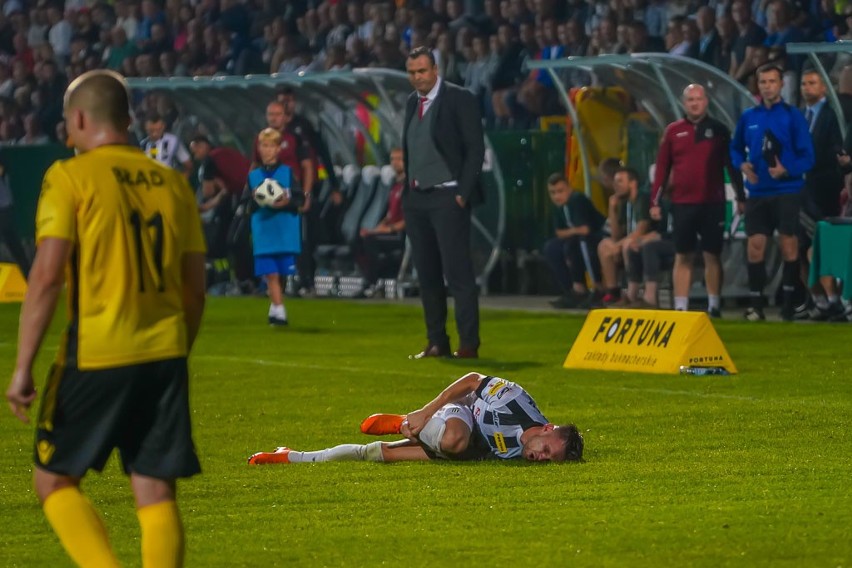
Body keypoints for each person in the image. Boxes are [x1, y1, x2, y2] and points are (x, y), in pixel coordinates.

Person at [5, 70, 206, 568]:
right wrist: (179, 347)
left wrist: (22, 366)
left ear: (77, 119)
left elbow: (47, 276)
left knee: (52, 479)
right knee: (155, 488)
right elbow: (195, 287)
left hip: (97, 351)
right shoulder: (172, 183)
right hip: (164, 352)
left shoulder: (70, 176)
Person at [247, 372, 584, 464]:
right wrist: (427, 410)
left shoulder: (517, 455)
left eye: (545, 460)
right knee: (453, 439)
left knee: (376, 454)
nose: (538, 457)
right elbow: (470, 380)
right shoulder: (515, 402)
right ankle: (406, 421)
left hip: (465, 448)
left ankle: (290, 456)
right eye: (546, 449)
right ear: (548, 428)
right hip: (458, 412)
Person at [402, 46, 485, 359]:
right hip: (417, 197)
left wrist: (462, 192)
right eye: (412, 72)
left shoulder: (459, 98)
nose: (417, 77)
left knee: (458, 274)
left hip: (448, 196)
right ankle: (437, 341)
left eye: (422, 71)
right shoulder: (412, 102)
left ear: (435, 69)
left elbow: (475, 148)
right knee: (427, 274)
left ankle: (468, 345)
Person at [651, 84, 745, 317]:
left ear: (706, 101)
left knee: (712, 253)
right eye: (690, 99)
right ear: (684, 103)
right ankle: (681, 307)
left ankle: (714, 304)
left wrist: (740, 196)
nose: (694, 103)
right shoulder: (673, 131)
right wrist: (655, 201)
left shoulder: (720, 130)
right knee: (683, 254)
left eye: (698, 99)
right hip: (682, 203)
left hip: (712, 202)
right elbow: (663, 168)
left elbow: (731, 166)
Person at [730, 64, 815, 321]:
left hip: (787, 190)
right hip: (757, 192)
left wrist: (786, 170)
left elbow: (808, 157)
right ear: (758, 85)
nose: (767, 86)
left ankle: (788, 303)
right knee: (755, 246)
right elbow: (735, 149)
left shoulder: (793, 116)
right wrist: (741, 164)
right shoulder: (749, 117)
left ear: (781, 85)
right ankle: (756, 305)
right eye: (763, 82)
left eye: (772, 81)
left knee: (788, 244)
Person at [275, 87, 341, 297]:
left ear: (294, 102)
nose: (285, 105)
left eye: (288, 101)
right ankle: (287, 282)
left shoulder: (303, 127)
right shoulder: (274, 132)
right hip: (281, 192)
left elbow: (321, 155)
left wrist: (334, 185)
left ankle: (307, 282)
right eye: (281, 102)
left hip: (305, 190)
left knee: (305, 237)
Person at [797, 70, 846, 320]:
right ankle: (821, 301)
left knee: (821, 246)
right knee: (800, 247)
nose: (807, 87)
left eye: (812, 83)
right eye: (804, 83)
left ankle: (834, 300)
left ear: (824, 88)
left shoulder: (832, 114)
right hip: (802, 192)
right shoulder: (800, 115)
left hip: (825, 192)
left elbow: (837, 151)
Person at [248, 127, 304, 326]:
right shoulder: (253, 176)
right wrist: (256, 200)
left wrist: (284, 203)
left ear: (279, 148)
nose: (267, 150)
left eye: (271, 146)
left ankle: (275, 305)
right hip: (264, 230)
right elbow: (247, 205)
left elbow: (299, 199)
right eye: (264, 145)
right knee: (270, 272)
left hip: (284, 230)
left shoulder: (288, 174)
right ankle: (280, 310)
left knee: (280, 274)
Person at [543, 172, 605, 309]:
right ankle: (573, 290)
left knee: (576, 244)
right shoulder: (560, 207)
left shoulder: (577, 199)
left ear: (569, 188)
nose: (556, 196)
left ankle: (597, 289)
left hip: (596, 237)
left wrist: (570, 232)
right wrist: (572, 232)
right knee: (552, 248)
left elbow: (585, 229)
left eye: (560, 191)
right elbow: (559, 233)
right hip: (577, 239)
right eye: (552, 193)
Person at [597, 166, 654, 305]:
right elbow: (616, 235)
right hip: (626, 242)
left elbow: (642, 229)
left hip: (646, 242)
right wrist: (612, 209)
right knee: (604, 245)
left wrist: (618, 245)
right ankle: (613, 292)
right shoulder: (624, 202)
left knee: (626, 245)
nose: (615, 185)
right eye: (615, 182)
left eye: (620, 181)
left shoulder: (642, 197)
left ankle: (632, 295)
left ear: (632, 183)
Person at [355, 147, 406, 296]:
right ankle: (370, 280)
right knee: (360, 239)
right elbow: (389, 216)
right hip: (389, 230)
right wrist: (376, 229)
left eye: (399, 159)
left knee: (371, 241)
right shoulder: (394, 185)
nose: (395, 163)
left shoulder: (409, 187)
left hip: (401, 234)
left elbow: (408, 220)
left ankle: (372, 283)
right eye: (392, 159)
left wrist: (384, 230)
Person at [0, 153, 31, 278]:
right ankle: (29, 276)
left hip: (3, 208)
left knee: (15, 247)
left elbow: (2, 170)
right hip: (5, 207)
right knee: (15, 247)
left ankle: (30, 277)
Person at [139, 112, 192, 176]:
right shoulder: (143, 144)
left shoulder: (173, 141)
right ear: (145, 128)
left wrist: (179, 182)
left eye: (158, 130)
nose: (154, 134)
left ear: (163, 126)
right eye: (151, 130)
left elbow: (188, 165)